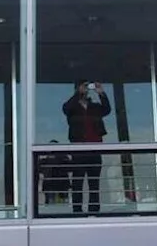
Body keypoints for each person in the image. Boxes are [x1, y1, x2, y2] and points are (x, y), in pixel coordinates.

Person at [62, 79, 111, 213]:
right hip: (78, 150)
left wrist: (101, 93)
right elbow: (66, 109)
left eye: (86, 86)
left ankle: (94, 210)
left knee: (94, 182)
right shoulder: (72, 107)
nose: (85, 89)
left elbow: (107, 110)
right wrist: (78, 94)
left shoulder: (94, 107)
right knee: (77, 182)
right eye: (83, 86)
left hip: (95, 149)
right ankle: (77, 210)